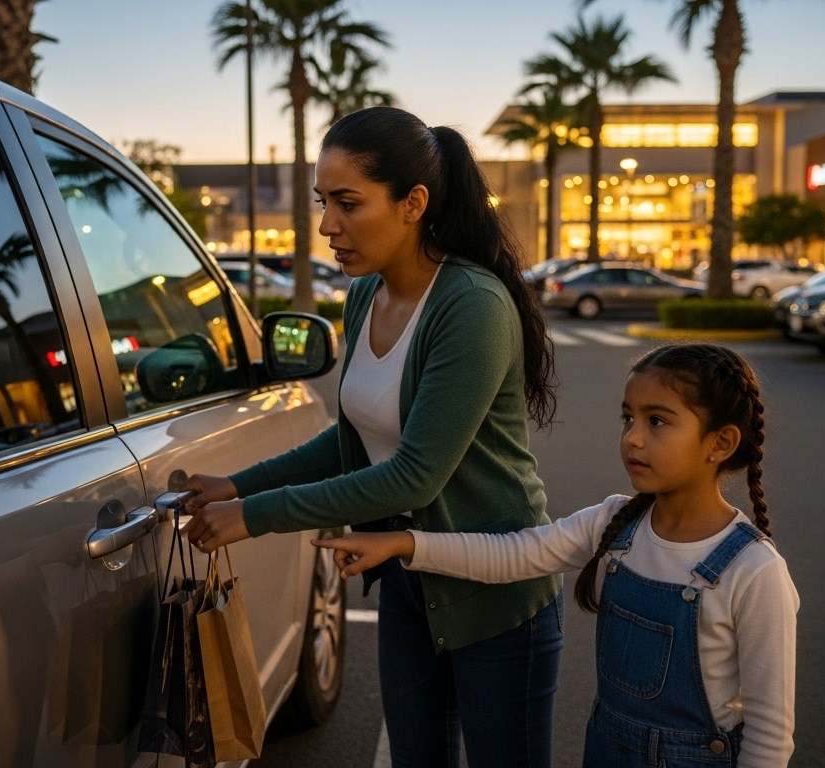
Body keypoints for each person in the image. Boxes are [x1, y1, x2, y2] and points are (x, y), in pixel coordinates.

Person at [180, 106, 562, 768]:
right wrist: (237, 484)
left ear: (414, 202)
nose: (328, 225)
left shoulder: (470, 304)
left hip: (495, 593)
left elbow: (415, 476)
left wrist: (253, 516)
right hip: (409, 576)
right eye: (324, 202)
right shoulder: (365, 296)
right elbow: (350, 444)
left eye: (348, 203)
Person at [316, 344, 800, 768]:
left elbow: (769, 734)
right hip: (606, 750)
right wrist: (404, 544)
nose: (632, 436)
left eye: (658, 421)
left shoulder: (753, 571)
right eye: (628, 417)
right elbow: (515, 553)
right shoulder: (616, 523)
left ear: (721, 443)